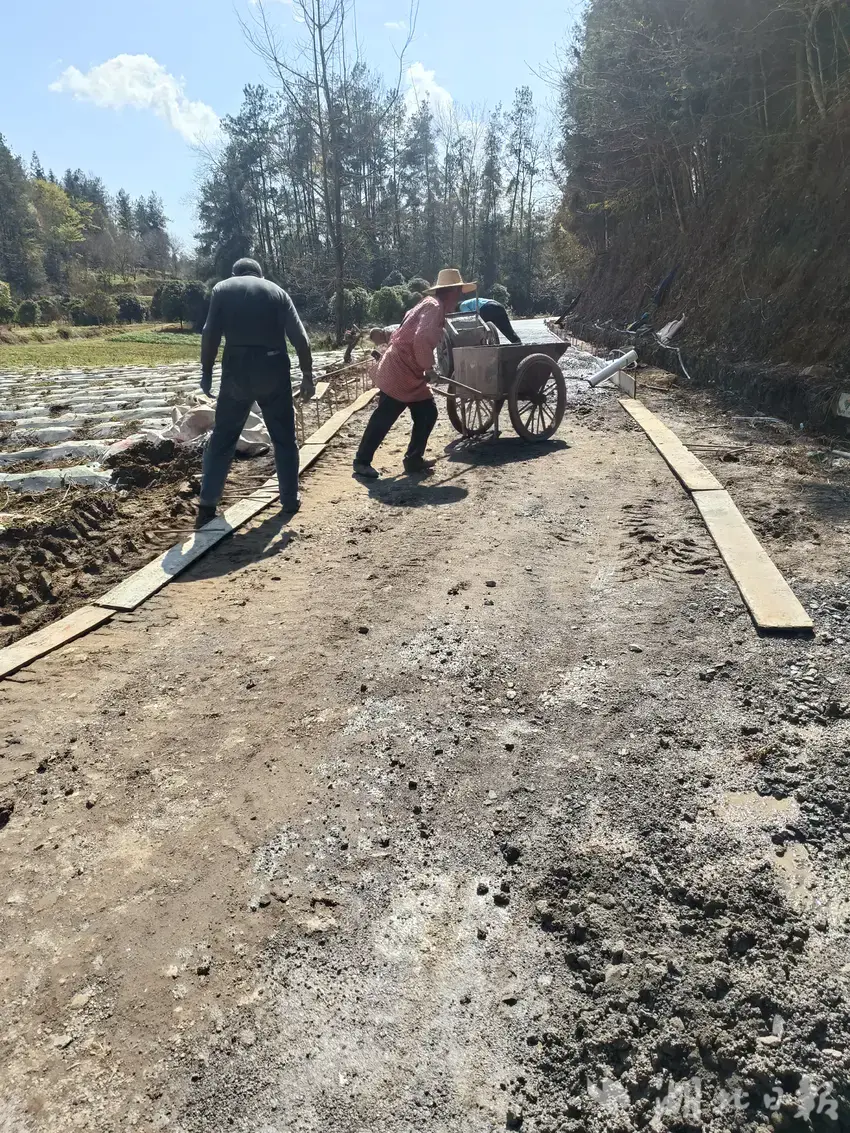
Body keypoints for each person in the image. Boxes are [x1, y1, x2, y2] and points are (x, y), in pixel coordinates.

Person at [196, 258, 315, 526]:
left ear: (235, 273)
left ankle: (207, 504)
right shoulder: (277, 292)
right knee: (283, 438)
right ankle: (289, 499)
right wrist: (307, 376)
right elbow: (301, 339)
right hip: (273, 369)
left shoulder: (222, 289)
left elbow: (209, 332)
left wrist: (207, 372)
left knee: (224, 437)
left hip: (237, 371)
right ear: (260, 275)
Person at [352, 268, 475, 480]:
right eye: (458, 293)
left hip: (409, 369)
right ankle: (362, 462)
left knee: (427, 412)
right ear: (451, 292)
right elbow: (420, 339)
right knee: (385, 415)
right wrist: (429, 368)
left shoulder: (429, 304)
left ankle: (413, 460)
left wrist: (425, 367)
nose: (459, 298)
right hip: (401, 370)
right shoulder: (434, 307)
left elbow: (410, 332)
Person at [457, 292, 521, 344]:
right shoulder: (469, 302)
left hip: (486, 308)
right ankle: (518, 343)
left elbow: (470, 317)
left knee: (479, 329)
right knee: (507, 331)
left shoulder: (462, 305)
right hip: (498, 306)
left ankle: (482, 345)